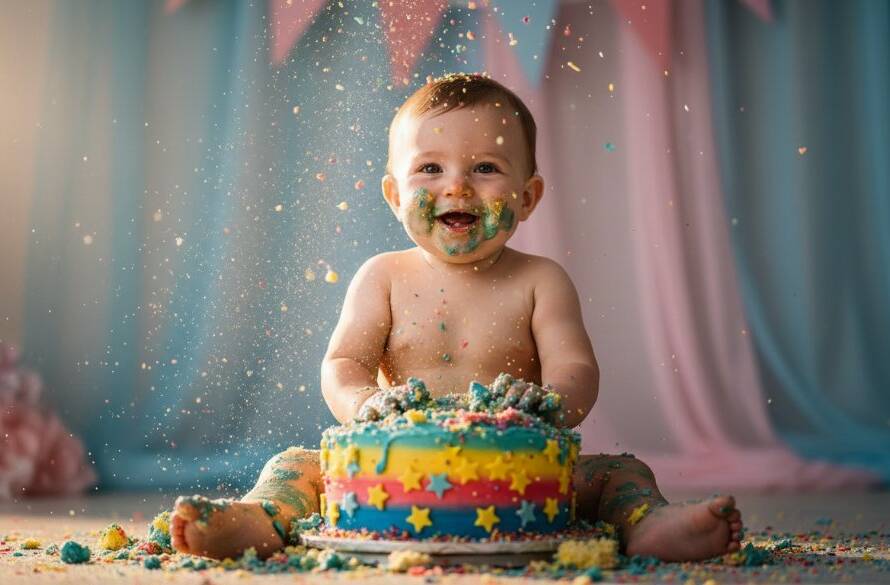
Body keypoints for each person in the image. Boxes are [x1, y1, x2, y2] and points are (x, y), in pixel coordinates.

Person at [171, 73, 743, 562]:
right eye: (430, 169)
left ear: (528, 196)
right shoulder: (383, 276)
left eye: (487, 166)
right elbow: (343, 362)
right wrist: (363, 405)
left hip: (516, 466)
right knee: (296, 465)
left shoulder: (540, 279)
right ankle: (253, 521)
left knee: (620, 472)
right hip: (394, 467)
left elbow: (576, 368)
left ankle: (649, 526)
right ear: (395, 196)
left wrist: (547, 406)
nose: (457, 185)